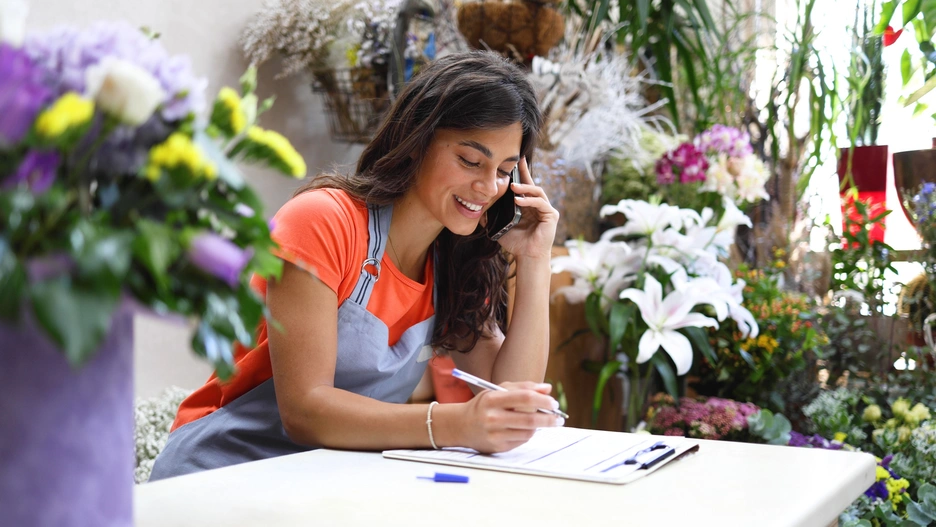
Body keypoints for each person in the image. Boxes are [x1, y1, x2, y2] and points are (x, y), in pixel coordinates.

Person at [150, 51, 561, 480]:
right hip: (219, 474)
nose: (488, 186)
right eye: (470, 160)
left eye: (504, 170)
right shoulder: (323, 221)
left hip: (321, 484)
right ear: (418, 139)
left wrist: (535, 261)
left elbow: (514, 402)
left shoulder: (455, 264)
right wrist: (456, 423)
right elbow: (305, 411)